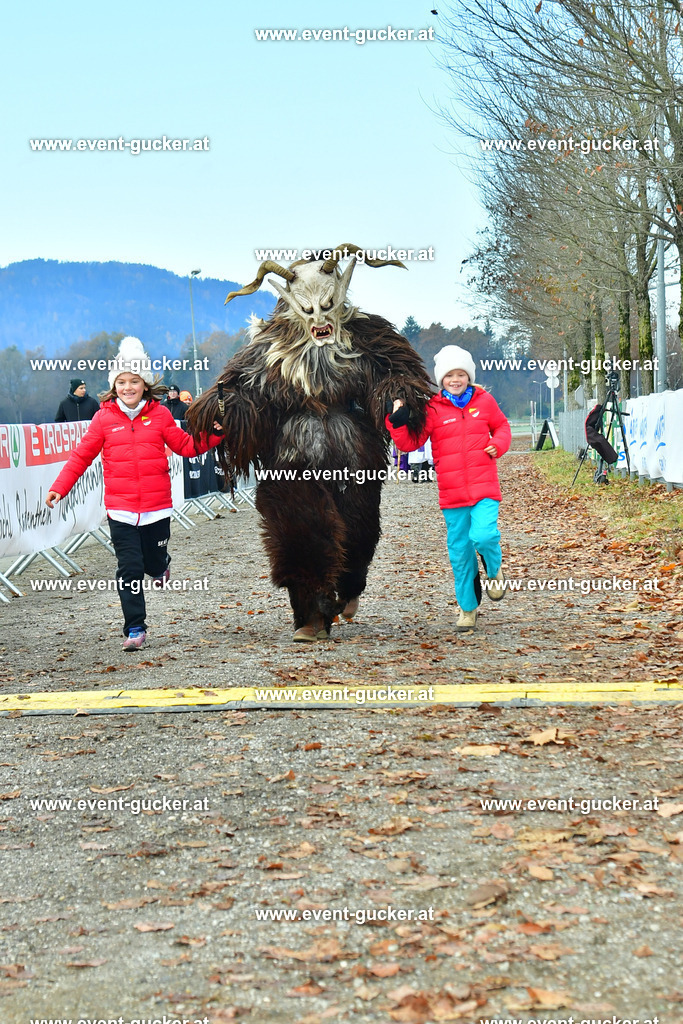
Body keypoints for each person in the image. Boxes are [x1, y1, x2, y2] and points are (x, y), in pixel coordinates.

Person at [45, 337, 224, 651]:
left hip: (156, 508)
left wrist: (215, 436)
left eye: (135, 381)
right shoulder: (103, 419)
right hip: (121, 510)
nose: (128, 387)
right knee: (128, 568)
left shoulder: (160, 416)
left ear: (145, 384)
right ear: (115, 386)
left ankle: (160, 566)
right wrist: (59, 488)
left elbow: (185, 446)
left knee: (153, 564)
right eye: (122, 382)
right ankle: (135, 628)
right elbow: (81, 457)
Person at [387, 344, 511, 631]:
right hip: (452, 495)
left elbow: (502, 427)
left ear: (469, 376)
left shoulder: (485, 401)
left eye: (461, 374)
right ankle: (468, 609)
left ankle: (494, 571)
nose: (455, 380)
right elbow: (409, 444)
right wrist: (396, 423)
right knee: (461, 553)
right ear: (441, 379)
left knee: (484, 536)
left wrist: (499, 445)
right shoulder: (433, 409)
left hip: (484, 489)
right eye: (449, 375)